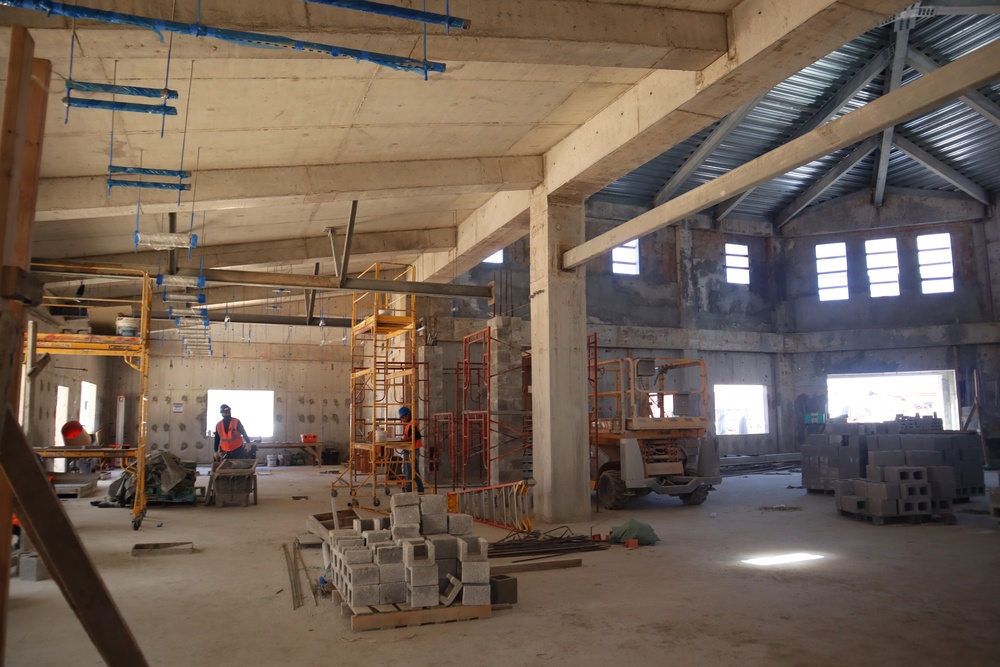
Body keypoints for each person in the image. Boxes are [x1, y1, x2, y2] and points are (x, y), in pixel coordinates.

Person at [398, 406, 424, 493]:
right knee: (412, 470)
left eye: (403, 417)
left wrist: (406, 440)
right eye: (401, 418)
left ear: (408, 415)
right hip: (409, 449)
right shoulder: (409, 425)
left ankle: (411, 489)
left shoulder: (412, 424)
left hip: (412, 450)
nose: (402, 419)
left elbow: (417, 436)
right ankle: (418, 489)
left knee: (411, 471)